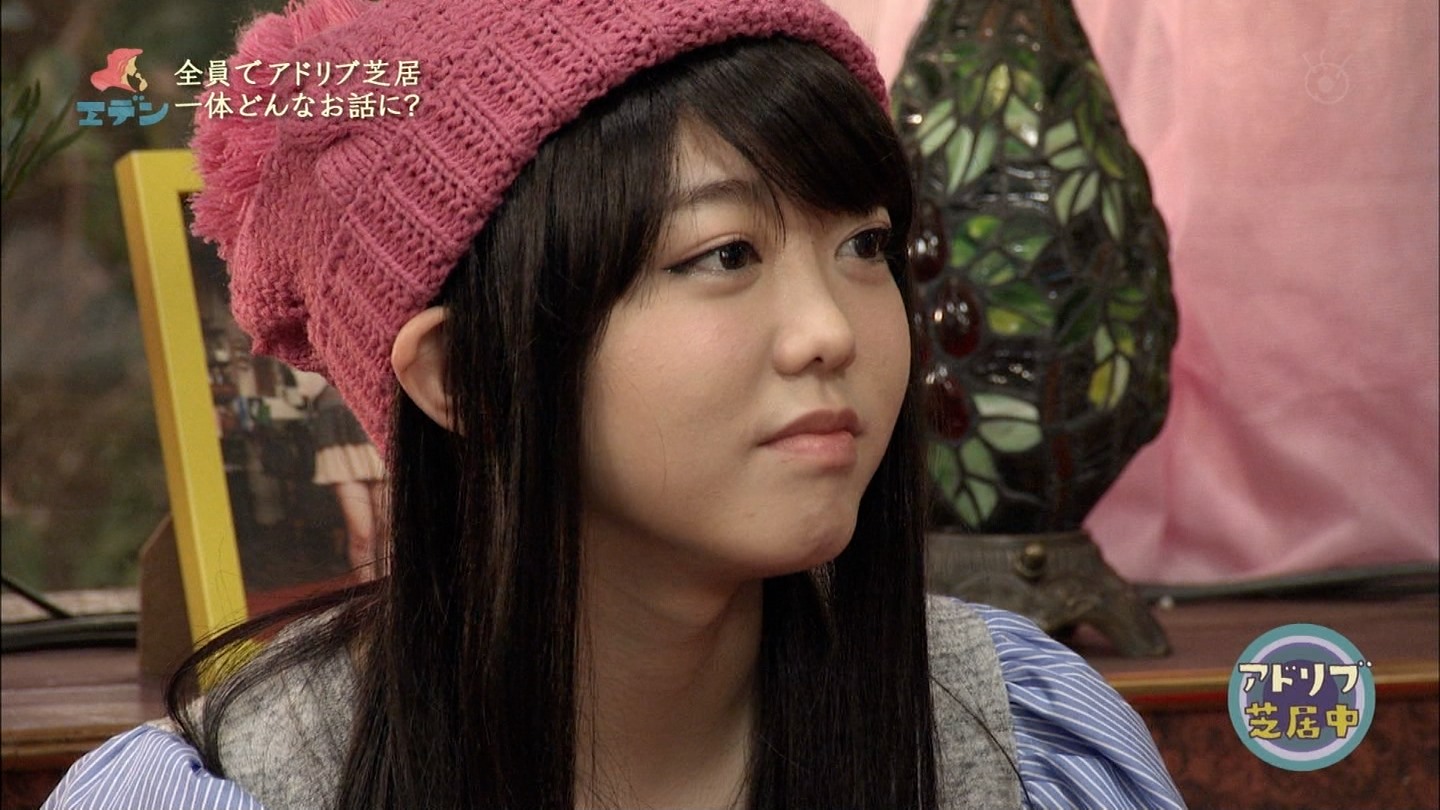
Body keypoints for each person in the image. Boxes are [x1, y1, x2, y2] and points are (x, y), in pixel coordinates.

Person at [45, 0, 1186, 807]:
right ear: (460, 375)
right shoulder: (239, 785)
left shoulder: (1013, 735)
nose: (833, 331)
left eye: (866, 245)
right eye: (725, 254)